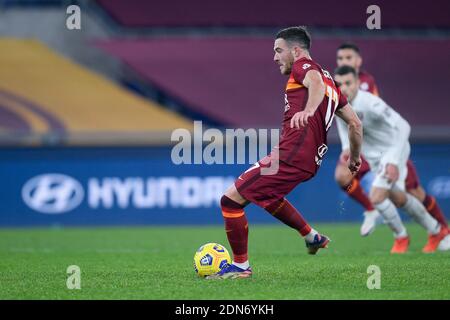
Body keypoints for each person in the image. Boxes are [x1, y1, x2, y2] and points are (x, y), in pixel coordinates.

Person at [206, 27, 363, 280]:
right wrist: (355, 158)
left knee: (230, 201)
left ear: (296, 50)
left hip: (291, 155)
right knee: (268, 195)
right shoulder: (333, 84)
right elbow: (356, 124)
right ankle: (312, 237)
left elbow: (315, 83)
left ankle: (241, 267)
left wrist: (310, 110)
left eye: (279, 50)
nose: (275, 57)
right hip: (309, 160)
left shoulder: (304, 67)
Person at [334, 43, 448, 236]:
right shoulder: (340, 91)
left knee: (414, 193)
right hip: (367, 148)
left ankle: (441, 229)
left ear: (358, 61)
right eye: (341, 59)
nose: (344, 62)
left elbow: (388, 121)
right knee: (344, 177)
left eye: (348, 58)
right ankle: (377, 214)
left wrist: (392, 159)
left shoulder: (365, 87)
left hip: (388, 146)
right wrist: (347, 147)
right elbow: (343, 118)